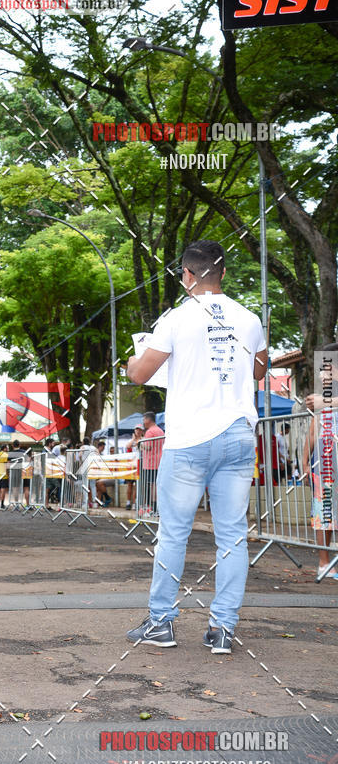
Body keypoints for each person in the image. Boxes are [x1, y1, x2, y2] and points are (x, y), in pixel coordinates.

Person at [125, 239, 267, 654]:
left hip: (189, 439)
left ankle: (162, 624)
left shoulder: (176, 318)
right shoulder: (250, 318)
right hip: (239, 434)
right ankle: (222, 629)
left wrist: (136, 359)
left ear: (187, 274)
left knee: (173, 534)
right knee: (232, 537)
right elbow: (258, 370)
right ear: (222, 273)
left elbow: (139, 374)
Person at [302, 345, 338, 580]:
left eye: (327, 368)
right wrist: (304, 460)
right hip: (324, 462)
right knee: (323, 511)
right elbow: (313, 431)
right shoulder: (323, 395)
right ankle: (325, 563)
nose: (323, 374)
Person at [140, 413, 164, 515]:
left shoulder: (150, 432)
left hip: (150, 463)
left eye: (144, 419)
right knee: (156, 485)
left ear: (148, 420)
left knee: (152, 485)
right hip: (159, 462)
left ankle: (153, 509)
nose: (143, 422)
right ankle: (156, 508)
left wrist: (140, 443)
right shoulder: (160, 430)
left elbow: (147, 447)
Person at [125, 425, 144, 510]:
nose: (138, 431)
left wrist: (138, 441)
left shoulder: (144, 439)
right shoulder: (131, 440)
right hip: (132, 465)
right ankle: (128, 502)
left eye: (139, 430)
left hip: (140, 465)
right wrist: (133, 439)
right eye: (137, 429)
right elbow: (128, 446)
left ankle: (135, 503)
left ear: (142, 431)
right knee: (130, 485)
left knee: (137, 485)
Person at [8, 439, 30, 505]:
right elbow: (28, 460)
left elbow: (8, 464)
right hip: (24, 471)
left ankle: (16, 504)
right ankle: (28, 505)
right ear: (19, 445)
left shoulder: (11, 454)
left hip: (14, 472)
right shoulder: (24, 452)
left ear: (12, 445)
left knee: (15, 488)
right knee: (26, 488)